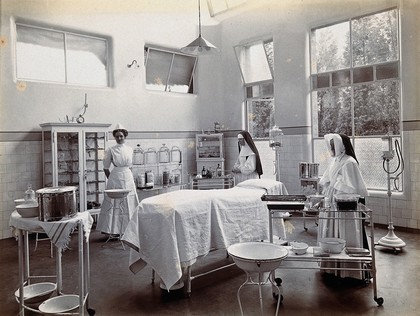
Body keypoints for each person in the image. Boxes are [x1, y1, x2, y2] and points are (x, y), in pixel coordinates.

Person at [318, 133, 369, 280]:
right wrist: (327, 185)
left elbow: (350, 187)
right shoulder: (335, 161)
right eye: (331, 146)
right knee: (332, 231)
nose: (331, 148)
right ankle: (332, 268)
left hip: (345, 205)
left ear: (342, 146)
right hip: (333, 202)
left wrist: (334, 184)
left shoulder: (349, 162)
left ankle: (348, 271)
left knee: (344, 232)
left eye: (334, 146)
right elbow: (327, 178)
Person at [97, 123, 139, 239]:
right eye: (117, 136)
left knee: (129, 202)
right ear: (114, 137)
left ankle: (129, 229)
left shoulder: (130, 149)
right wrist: (111, 179)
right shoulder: (110, 150)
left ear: (125, 136)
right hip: (115, 177)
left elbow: (130, 165)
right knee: (115, 203)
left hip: (128, 176)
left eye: (121, 136)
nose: (119, 138)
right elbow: (105, 167)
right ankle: (113, 230)